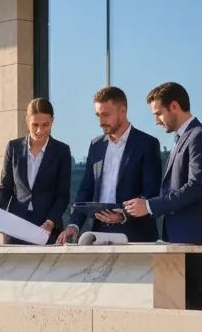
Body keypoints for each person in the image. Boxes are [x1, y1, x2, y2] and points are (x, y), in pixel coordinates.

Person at [123, 82, 202, 310]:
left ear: (174, 106)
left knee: (200, 307)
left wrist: (149, 206)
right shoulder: (181, 138)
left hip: (195, 239)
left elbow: (197, 187)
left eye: (158, 113)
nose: (156, 119)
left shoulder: (201, 136)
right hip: (178, 239)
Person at [56, 86, 161, 244]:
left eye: (105, 115)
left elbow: (151, 193)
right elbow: (86, 188)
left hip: (136, 235)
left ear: (123, 111)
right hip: (99, 234)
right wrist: (74, 224)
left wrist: (123, 215)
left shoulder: (147, 144)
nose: (100, 121)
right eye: (98, 115)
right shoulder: (96, 145)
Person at [0, 98, 71, 244]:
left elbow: (63, 195)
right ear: (27, 120)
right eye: (35, 125)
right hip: (14, 228)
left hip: (47, 230)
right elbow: (5, 187)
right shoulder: (13, 147)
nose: (40, 130)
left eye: (45, 125)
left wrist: (50, 222)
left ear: (52, 121)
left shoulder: (62, 151)